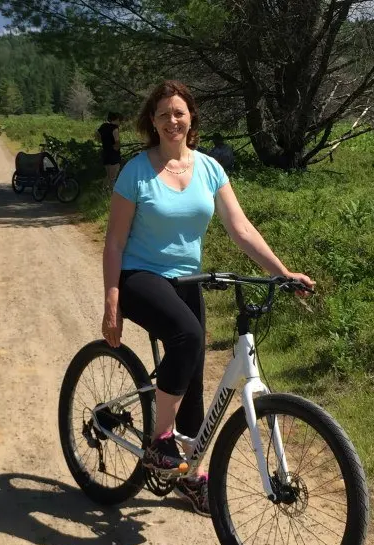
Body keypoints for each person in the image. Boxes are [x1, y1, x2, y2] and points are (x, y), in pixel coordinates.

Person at [101, 80, 314, 517]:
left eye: (179, 112)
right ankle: (161, 440)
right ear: (152, 122)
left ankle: (190, 475)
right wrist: (112, 302)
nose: (172, 120)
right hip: (141, 275)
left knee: (194, 376)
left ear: (191, 117)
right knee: (188, 335)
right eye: (163, 114)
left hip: (188, 279)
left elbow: (241, 229)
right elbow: (114, 242)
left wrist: (282, 272)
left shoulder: (210, 169)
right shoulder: (136, 171)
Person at [95, 112, 122, 189]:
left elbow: (96, 134)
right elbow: (117, 143)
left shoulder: (103, 126)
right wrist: (115, 147)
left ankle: (104, 191)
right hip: (114, 155)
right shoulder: (115, 128)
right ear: (116, 119)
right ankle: (112, 194)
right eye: (119, 120)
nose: (120, 123)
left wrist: (102, 142)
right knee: (113, 178)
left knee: (108, 175)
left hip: (106, 154)